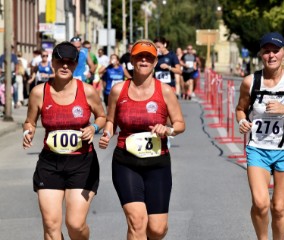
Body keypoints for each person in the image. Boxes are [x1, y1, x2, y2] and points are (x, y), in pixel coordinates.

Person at [98, 39, 185, 240]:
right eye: (139, 57)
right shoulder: (119, 90)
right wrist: (106, 134)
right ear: (132, 60)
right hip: (126, 162)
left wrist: (168, 130)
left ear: (155, 62)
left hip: (157, 163)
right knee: (137, 222)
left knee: (157, 229)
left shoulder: (165, 91)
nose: (144, 60)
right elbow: (110, 121)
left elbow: (180, 123)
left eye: (148, 57)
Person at [22, 41, 106, 240]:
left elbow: (102, 117)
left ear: (76, 65)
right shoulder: (38, 93)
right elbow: (30, 121)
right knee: (51, 226)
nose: (65, 66)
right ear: (52, 62)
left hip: (82, 163)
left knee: (75, 225)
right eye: (60, 61)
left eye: (70, 62)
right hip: (50, 163)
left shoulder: (87, 91)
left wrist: (93, 127)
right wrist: (28, 132)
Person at [235, 32, 284, 240]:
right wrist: (242, 121)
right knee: (260, 203)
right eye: (266, 51)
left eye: (275, 51)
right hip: (258, 148)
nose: (271, 55)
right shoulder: (251, 81)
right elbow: (240, 109)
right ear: (261, 54)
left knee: (278, 207)